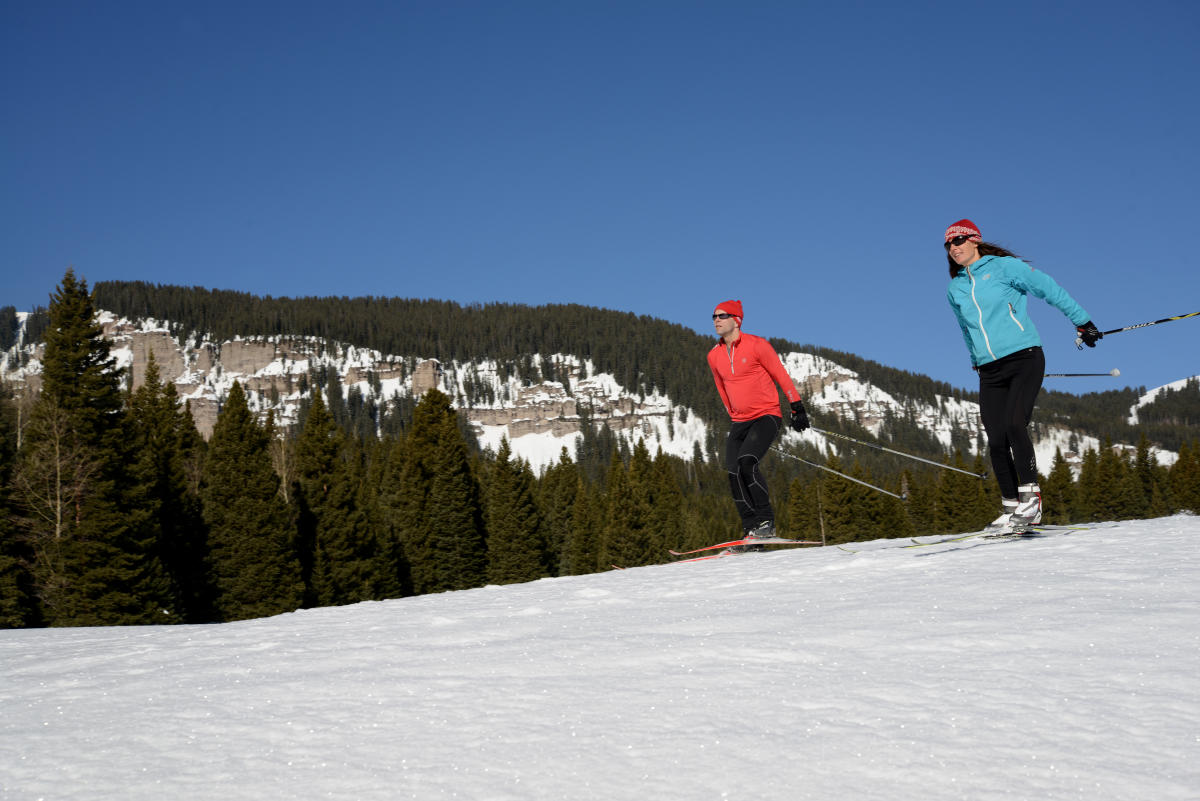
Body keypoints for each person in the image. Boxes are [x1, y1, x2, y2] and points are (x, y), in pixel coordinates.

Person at [943, 219, 1103, 532]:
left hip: (1024, 357)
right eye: (948, 244)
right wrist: (976, 358)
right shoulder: (956, 288)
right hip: (989, 369)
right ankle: (1011, 507)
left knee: (1016, 424)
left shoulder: (1005, 268)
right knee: (996, 438)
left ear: (975, 240)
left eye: (959, 240)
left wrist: (1083, 321)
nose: (954, 247)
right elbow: (965, 328)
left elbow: (1049, 289)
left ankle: (1032, 501)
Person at [707, 300, 810, 552]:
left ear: (736, 319)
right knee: (733, 473)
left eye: (722, 315)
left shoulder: (757, 346)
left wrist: (796, 406)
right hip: (739, 422)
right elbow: (721, 388)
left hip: (766, 416)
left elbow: (780, 374)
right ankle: (751, 532)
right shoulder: (714, 355)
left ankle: (765, 523)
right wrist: (732, 413)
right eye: (713, 316)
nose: (716, 320)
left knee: (747, 462)